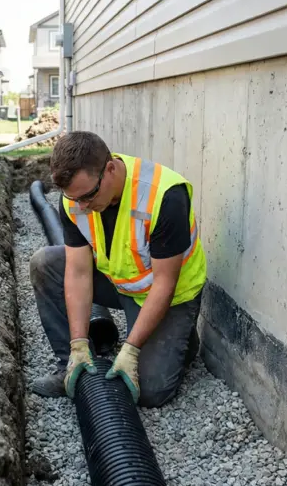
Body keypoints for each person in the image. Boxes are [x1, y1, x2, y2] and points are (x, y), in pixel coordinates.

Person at [29, 130, 206, 407]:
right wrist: (78, 344)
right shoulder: (75, 198)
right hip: (121, 282)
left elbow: (164, 284)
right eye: (75, 200)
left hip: (168, 295)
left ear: (110, 168)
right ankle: (68, 365)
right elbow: (78, 272)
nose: (83, 206)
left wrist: (131, 351)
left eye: (88, 196)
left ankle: (181, 337)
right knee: (45, 263)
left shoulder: (164, 196)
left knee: (149, 391)